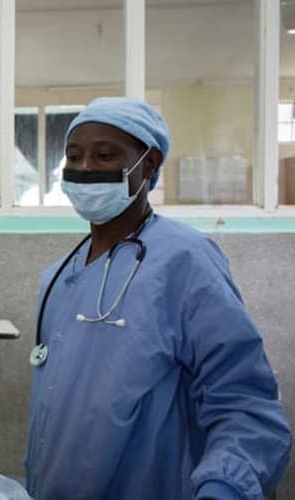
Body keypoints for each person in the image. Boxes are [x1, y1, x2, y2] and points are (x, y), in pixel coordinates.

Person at [25, 97, 291, 500]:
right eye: (74, 156)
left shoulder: (184, 261)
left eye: (104, 155)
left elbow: (245, 406)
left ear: (148, 164)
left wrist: (225, 487)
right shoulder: (60, 277)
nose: (85, 168)